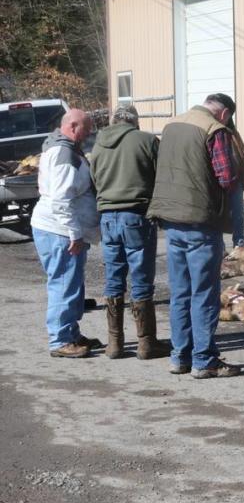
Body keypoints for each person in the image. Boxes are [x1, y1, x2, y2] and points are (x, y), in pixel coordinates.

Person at [147, 93, 241, 380]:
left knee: (180, 292)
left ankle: (179, 357)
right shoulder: (215, 130)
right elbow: (226, 177)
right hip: (201, 221)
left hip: (171, 220)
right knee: (204, 294)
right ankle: (205, 360)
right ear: (224, 113)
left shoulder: (172, 125)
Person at [88, 104, 170, 360]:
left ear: (114, 121)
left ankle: (115, 344)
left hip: (108, 218)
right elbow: (162, 177)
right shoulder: (147, 141)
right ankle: (146, 343)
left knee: (114, 278)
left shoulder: (99, 143)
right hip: (136, 216)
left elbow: (93, 179)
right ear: (135, 122)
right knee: (141, 279)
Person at [31, 109, 99, 358]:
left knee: (71, 283)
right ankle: (60, 340)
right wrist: (74, 234)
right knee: (63, 284)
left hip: (57, 228)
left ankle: (70, 333)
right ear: (72, 126)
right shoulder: (64, 153)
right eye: (87, 127)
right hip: (58, 231)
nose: (90, 132)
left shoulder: (61, 148)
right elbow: (60, 199)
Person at [226, 116, 244, 251]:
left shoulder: (233, 134)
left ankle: (239, 242)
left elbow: (243, 153)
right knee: (220, 214)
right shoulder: (214, 133)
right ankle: (221, 247)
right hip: (219, 180)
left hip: (235, 179)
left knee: (238, 213)